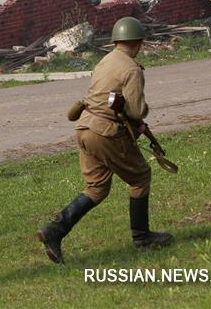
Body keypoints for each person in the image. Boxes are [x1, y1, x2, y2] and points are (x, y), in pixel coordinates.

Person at [36, 17, 172, 264]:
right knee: (140, 178)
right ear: (139, 43)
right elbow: (136, 110)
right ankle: (142, 237)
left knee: (97, 188)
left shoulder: (104, 61)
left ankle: (54, 231)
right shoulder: (131, 69)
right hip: (106, 132)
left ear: (116, 41)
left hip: (84, 127)